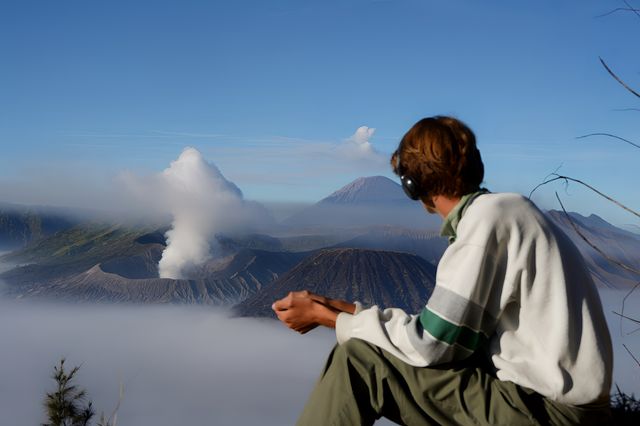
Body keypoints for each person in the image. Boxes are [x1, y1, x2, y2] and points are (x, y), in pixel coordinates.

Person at [272, 116, 613, 426]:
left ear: (412, 185)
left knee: (359, 360)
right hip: (560, 405)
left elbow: (430, 344)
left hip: (545, 412)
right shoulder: (508, 212)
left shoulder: (486, 224)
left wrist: (328, 319)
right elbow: (449, 332)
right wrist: (334, 306)